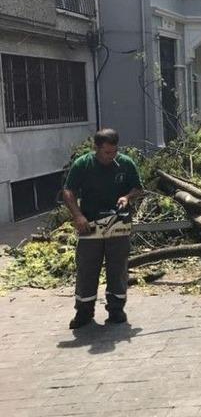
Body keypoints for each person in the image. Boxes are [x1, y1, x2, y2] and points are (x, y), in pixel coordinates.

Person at [62, 129, 143, 329]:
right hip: (90, 224)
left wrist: (127, 197)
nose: (111, 156)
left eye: (114, 151)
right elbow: (68, 191)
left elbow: (138, 188)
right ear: (96, 148)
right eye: (107, 152)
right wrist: (78, 215)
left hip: (118, 223)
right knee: (87, 268)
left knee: (118, 267)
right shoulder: (83, 164)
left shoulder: (126, 163)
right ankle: (84, 311)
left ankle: (116, 309)